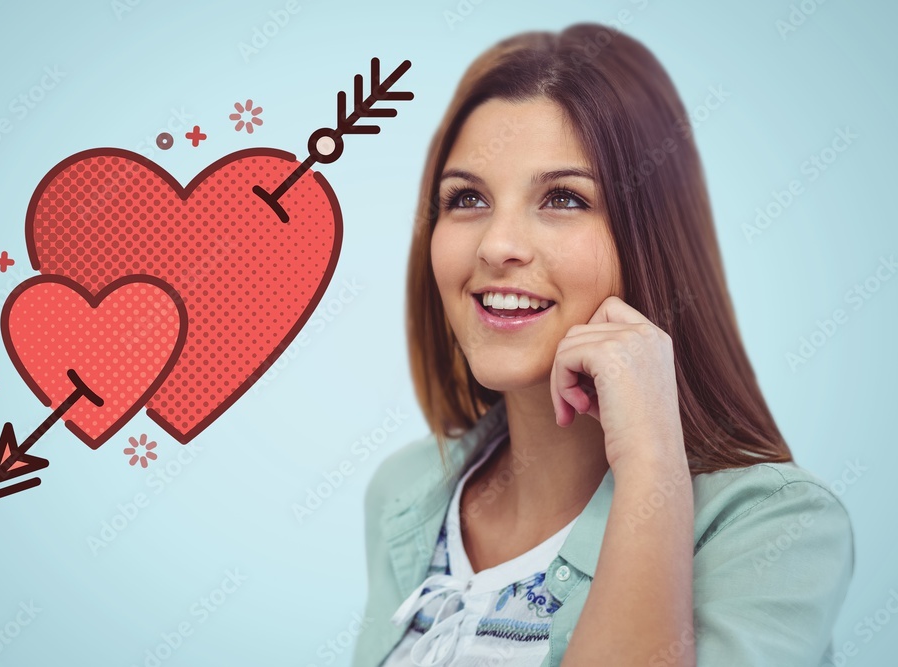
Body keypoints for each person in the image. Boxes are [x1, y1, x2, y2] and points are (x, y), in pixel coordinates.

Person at [352, 23, 854, 667]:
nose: (496, 244)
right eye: (468, 198)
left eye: (563, 198)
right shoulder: (407, 489)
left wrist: (651, 462)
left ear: (651, 239)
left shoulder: (779, 532)